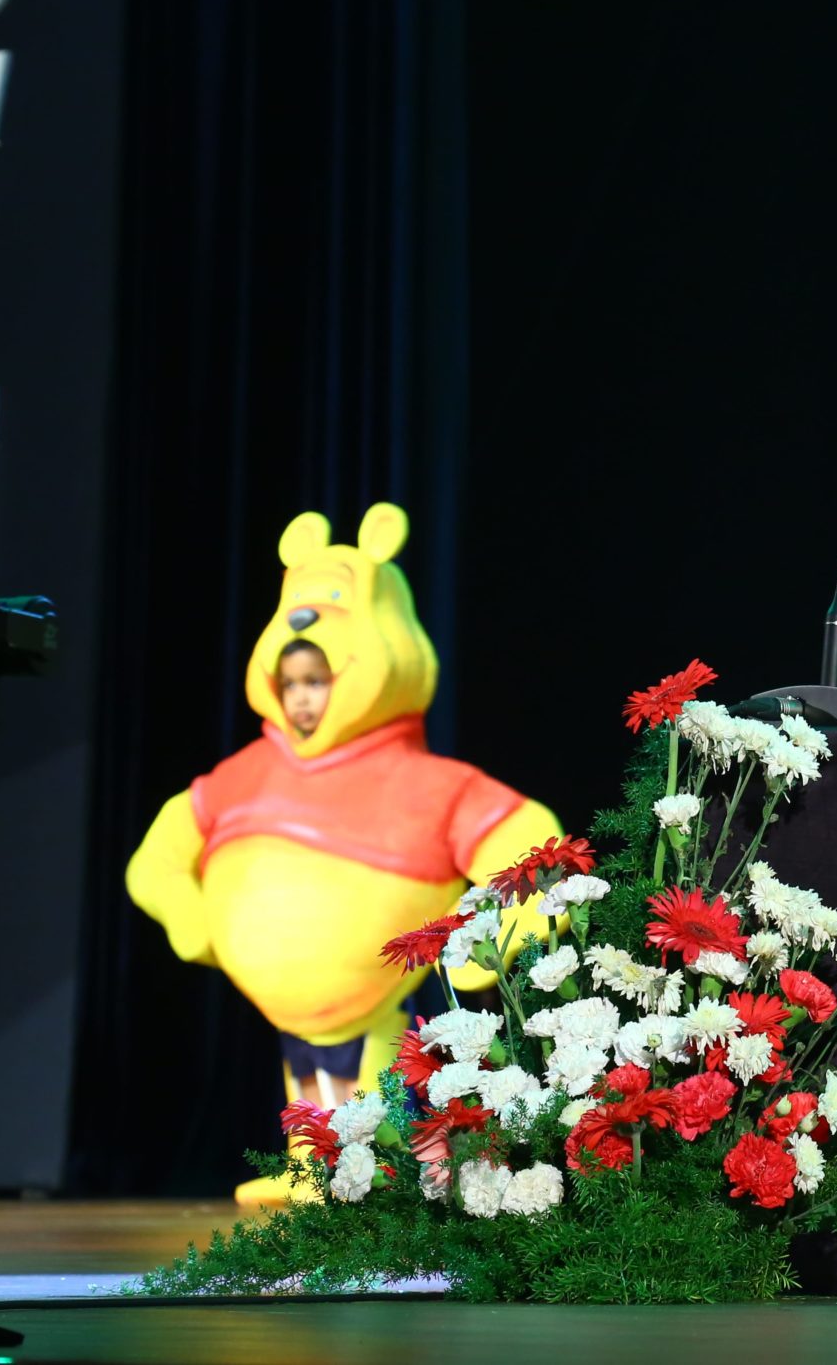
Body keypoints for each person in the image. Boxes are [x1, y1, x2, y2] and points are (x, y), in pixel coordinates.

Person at [126, 504, 561, 1203]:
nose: (302, 699)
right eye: (291, 683)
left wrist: (504, 933)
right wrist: (189, 916)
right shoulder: (241, 775)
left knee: (377, 1079)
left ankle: (372, 1175)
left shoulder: (425, 781)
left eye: (318, 680)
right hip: (289, 1011)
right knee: (309, 1074)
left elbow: (526, 845)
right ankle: (315, 1167)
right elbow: (157, 860)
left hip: (379, 996)